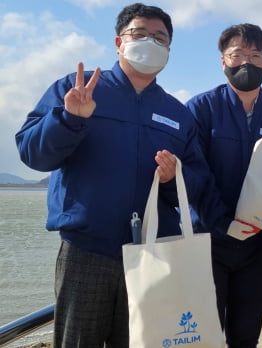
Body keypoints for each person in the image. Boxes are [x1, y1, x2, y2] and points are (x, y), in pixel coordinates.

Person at [14, 3, 216, 347]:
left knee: (145, 341)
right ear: (118, 42)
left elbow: (197, 182)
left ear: (168, 49)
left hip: (154, 253)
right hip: (86, 252)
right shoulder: (77, 89)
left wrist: (172, 177)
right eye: (139, 34)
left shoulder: (177, 114)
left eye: (159, 37)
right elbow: (33, 153)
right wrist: (68, 119)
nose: (149, 42)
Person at [185, 23, 262, 348]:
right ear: (223, 60)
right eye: (237, 54)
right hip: (208, 240)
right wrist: (223, 222)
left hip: (258, 245)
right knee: (203, 333)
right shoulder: (200, 108)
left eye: (256, 55)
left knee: (247, 333)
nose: (246, 62)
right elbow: (195, 171)